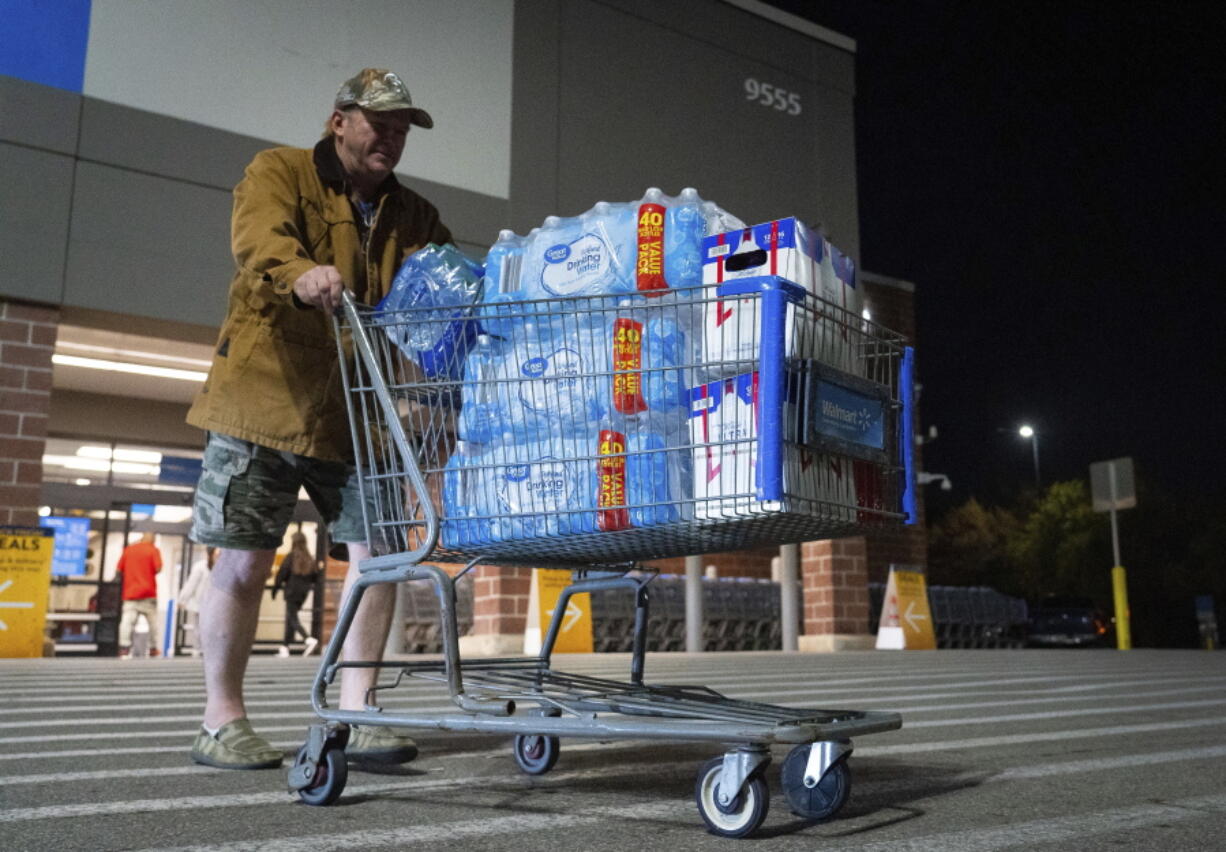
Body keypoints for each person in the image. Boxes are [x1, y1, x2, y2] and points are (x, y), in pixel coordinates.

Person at [185, 68, 451, 770]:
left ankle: (357, 710)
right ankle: (221, 719)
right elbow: (258, 240)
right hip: (264, 402)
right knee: (243, 563)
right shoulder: (278, 172)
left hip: (355, 416)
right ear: (340, 121)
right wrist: (298, 270)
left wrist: (443, 373)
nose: (391, 139)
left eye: (401, 129)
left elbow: (442, 290)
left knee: (380, 560)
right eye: (379, 124)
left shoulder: (413, 217)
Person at [271, 532, 322, 657]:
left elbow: (282, 574)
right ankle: (285, 647)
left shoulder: (291, 557)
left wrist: (275, 589)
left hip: (291, 592)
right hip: (303, 594)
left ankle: (308, 639)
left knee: (292, 618)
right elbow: (315, 578)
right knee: (291, 618)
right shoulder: (310, 558)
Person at [116, 532, 163, 659]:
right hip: (148, 593)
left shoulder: (129, 550)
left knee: (126, 622)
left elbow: (119, 569)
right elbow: (158, 568)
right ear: (152, 539)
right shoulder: (153, 550)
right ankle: (153, 648)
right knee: (153, 623)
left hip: (130, 593)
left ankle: (124, 648)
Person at [178, 546, 216, 658]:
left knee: (202, 628)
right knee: (202, 628)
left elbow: (191, 584)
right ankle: (200, 650)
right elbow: (191, 584)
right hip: (205, 603)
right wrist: (182, 599)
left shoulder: (219, 566)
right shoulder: (201, 566)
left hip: (209, 603)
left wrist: (182, 599)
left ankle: (200, 650)